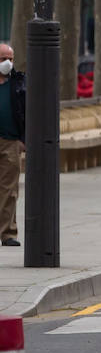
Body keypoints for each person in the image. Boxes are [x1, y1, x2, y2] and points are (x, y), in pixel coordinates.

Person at [0, 43, 26, 247]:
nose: (7, 63)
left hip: (11, 142)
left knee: (9, 190)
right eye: (2, 59)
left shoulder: (19, 83)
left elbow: (28, 111)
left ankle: (8, 233)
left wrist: (23, 140)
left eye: (10, 58)